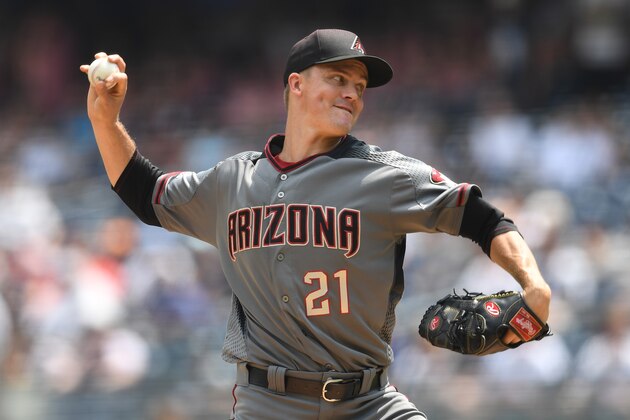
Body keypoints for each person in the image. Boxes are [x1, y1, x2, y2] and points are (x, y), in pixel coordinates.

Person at [80, 28, 551, 419]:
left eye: (360, 87)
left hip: (369, 402)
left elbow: (483, 218)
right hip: (267, 403)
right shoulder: (231, 181)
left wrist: (533, 284)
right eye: (339, 77)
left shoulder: (384, 176)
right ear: (296, 85)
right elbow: (146, 193)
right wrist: (105, 119)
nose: (352, 93)